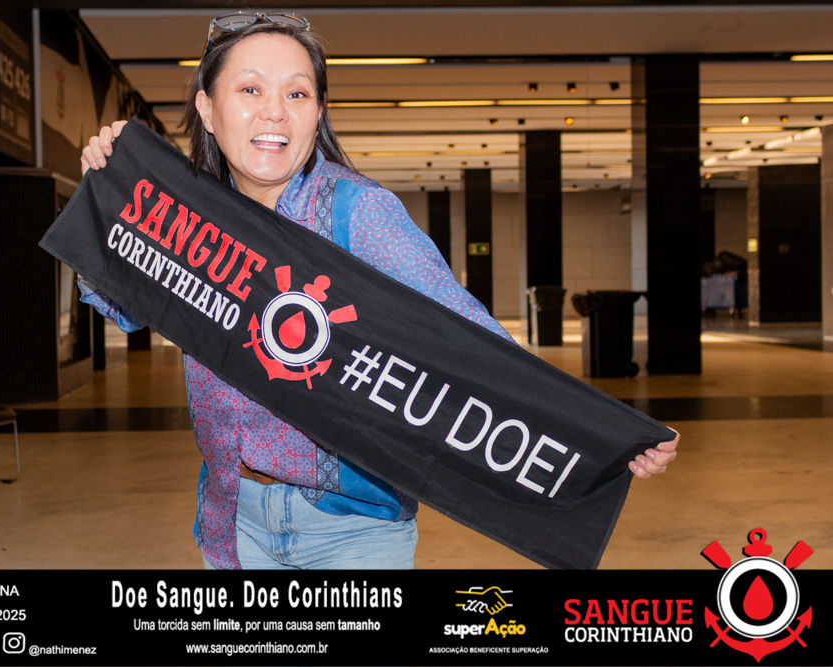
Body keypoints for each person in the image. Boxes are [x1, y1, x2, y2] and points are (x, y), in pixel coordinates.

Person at [79, 11, 680, 570]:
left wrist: (598, 432)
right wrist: (104, 202)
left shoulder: (358, 212)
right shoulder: (187, 217)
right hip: (232, 522)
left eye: (297, 94)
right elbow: (125, 305)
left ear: (318, 112)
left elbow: (467, 336)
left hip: (352, 532)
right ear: (207, 109)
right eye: (250, 89)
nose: (275, 113)